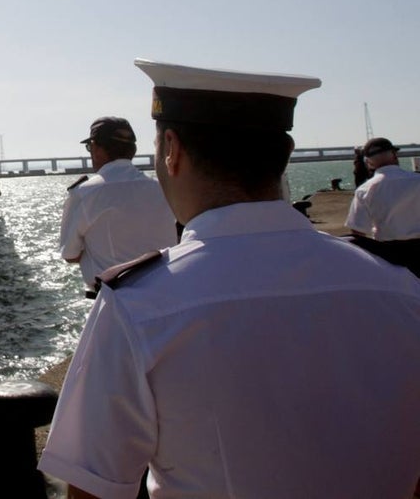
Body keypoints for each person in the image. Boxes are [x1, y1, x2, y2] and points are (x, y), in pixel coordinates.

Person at [38, 59, 420, 499]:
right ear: (286, 153)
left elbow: (94, 488)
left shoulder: (136, 306)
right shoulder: (400, 287)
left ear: (171, 150)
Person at [59, 116, 176, 296]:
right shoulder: (163, 189)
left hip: (116, 301)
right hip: (167, 295)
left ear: (96, 149)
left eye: (90, 147)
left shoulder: (84, 194)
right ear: (132, 150)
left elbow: (70, 255)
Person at [346, 137, 420, 275]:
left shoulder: (364, 190)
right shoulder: (417, 180)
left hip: (390, 255)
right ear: (394, 155)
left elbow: (357, 231)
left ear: (368, 162)